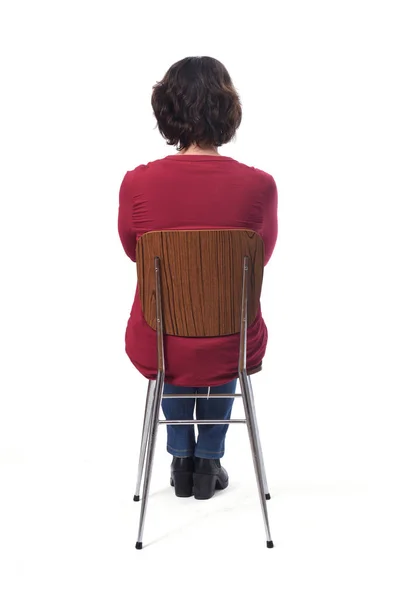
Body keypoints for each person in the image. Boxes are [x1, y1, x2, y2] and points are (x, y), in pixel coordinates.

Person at [118, 56, 278, 500]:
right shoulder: (259, 185)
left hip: (160, 336)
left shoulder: (138, 183)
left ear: (167, 110)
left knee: (172, 323)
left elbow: (134, 250)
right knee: (224, 312)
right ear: (228, 110)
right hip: (234, 338)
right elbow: (261, 255)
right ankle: (208, 459)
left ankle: (179, 456)